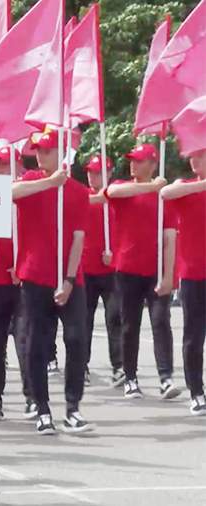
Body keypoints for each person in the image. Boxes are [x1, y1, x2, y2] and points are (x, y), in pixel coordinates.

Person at [11, 130, 93, 436]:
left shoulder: (78, 191)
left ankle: (73, 407)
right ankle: (41, 407)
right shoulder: (31, 181)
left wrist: (70, 279)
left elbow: (78, 237)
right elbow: (8, 194)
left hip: (69, 278)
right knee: (37, 342)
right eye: (39, 151)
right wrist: (48, 183)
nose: (41, 156)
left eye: (47, 151)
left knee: (75, 339)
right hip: (35, 275)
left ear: (62, 152)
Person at [105, 144, 181, 400]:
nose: (133, 165)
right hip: (127, 269)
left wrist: (169, 275)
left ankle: (166, 377)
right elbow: (112, 191)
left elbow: (170, 237)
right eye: (132, 161)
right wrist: (152, 187)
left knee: (161, 322)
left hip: (156, 270)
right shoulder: (126, 189)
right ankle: (130, 378)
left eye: (139, 161)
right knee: (130, 325)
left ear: (152, 163)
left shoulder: (164, 198)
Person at [0, 147, 34, 421]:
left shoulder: (27, 191)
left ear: (17, 165)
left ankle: (32, 396)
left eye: (4, 164)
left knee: (25, 338)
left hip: (22, 277)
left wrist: (21, 262)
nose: (0, 169)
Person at [160, 148, 206, 415]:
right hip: (193, 274)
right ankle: (196, 391)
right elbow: (165, 193)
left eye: (200, 156)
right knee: (193, 335)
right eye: (191, 157)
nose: (193, 160)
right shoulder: (185, 187)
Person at [82, 156, 123, 388]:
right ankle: (82, 365)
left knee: (114, 317)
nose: (92, 175)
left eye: (97, 172)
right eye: (90, 171)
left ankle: (119, 366)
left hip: (111, 267)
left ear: (108, 172)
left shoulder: (116, 194)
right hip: (86, 268)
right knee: (84, 320)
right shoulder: (84, 195)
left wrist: (113, 254)